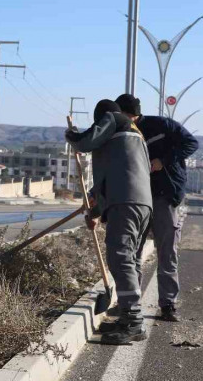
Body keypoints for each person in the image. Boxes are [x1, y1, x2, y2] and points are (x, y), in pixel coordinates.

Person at [67, 99, 153, 345]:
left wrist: (71, 135)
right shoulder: (134, 137)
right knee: (128, 259)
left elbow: (85, 141)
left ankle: (134, 321)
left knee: (120, 258)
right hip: (141, 204)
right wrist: (94, 211)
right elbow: (115, 176)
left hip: (126, 202)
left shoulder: (114, 120)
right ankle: (129, 318)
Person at [115, 93, 199, 322]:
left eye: (120, 115)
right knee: (132, 252)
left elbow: (191, 143)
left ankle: (168, 304)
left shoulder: (162, 125)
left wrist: (163, 160)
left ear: (129, 113)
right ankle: (130, 303)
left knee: (167, 252)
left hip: (164, 196)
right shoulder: (121, 133)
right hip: (137, 199)